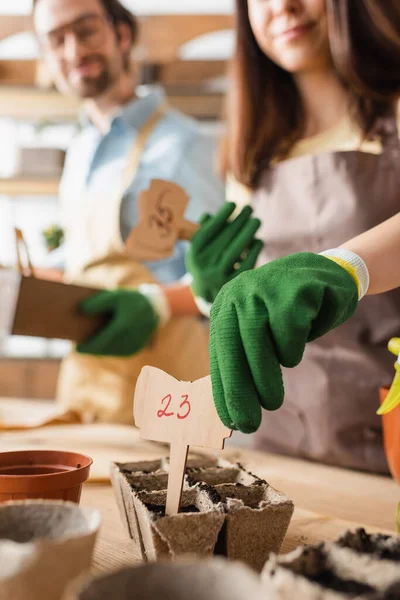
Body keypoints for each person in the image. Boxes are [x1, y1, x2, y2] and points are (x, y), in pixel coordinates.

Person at [187, 0, 400, 473]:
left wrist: (348, 267)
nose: (282, 6)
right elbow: (255, 291)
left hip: (389, 434)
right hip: (276, 444)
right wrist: (211, 294)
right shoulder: (252, 151)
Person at [33, 0, 262, 423]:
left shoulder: (185, 145)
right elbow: (88, 263)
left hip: (168, 393)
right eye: (55, 40)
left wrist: (152, 304)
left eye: (85, 32)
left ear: (122, 35)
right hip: (89, 386)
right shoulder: (80, 149)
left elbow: (232, 275)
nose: (73, 51)